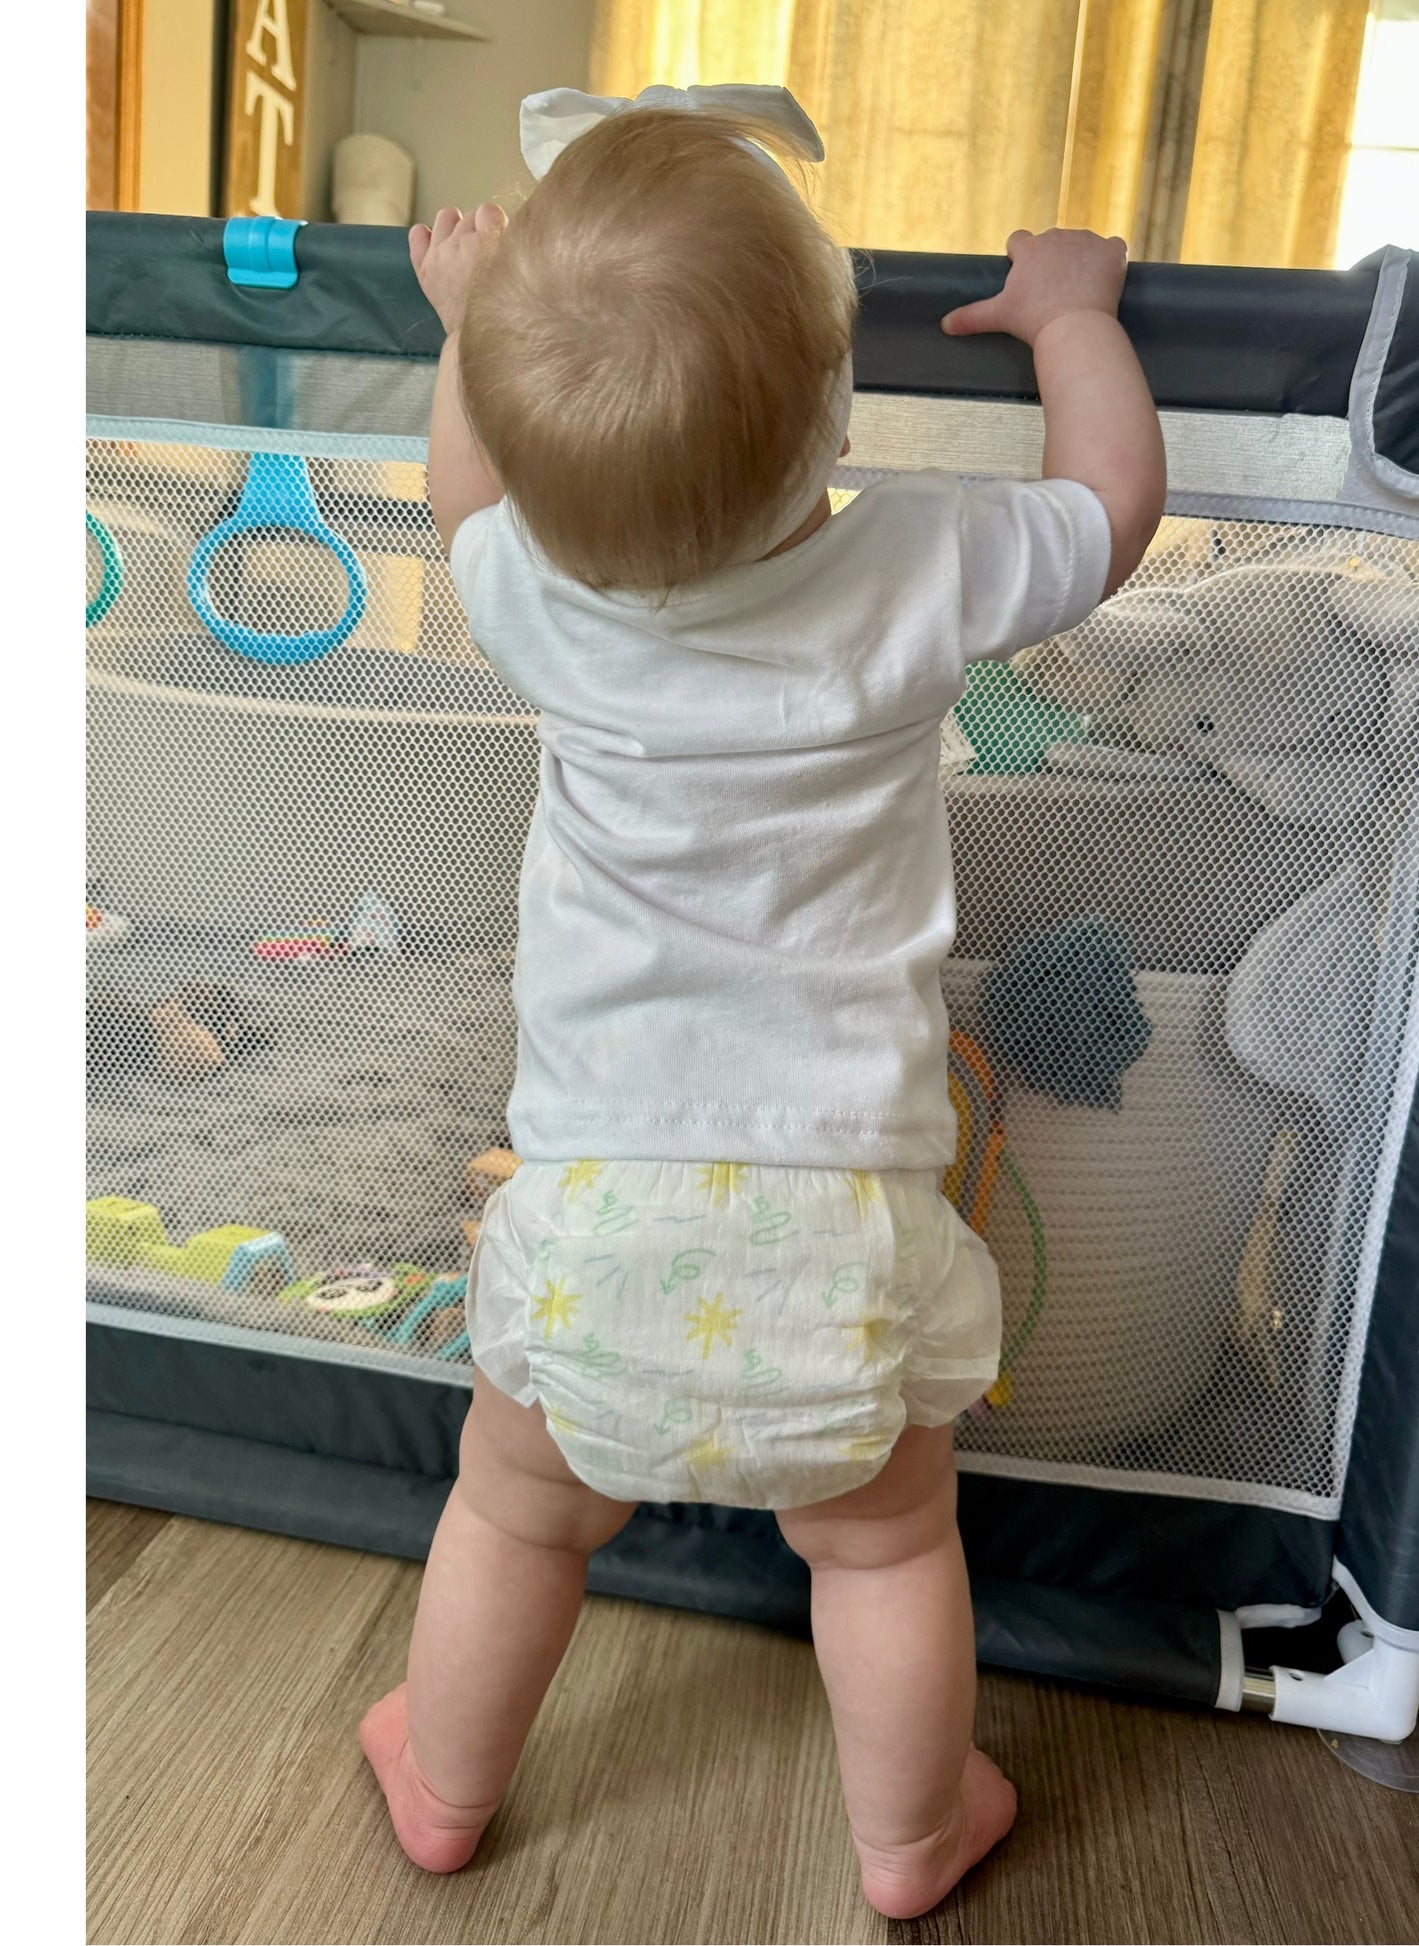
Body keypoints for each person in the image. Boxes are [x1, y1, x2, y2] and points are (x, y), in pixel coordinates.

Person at [359, 89, 1166, 1920]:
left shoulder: (530, 592)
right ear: (837, 412)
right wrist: (1068, 320)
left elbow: (459, 489)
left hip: (587, 1215)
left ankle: (447, 1778)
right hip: (842, 1224)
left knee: (510, 1510)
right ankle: (904, 1837)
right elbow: (1113, 509)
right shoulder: (913, 560)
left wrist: (462, 333)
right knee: (880, 1548)